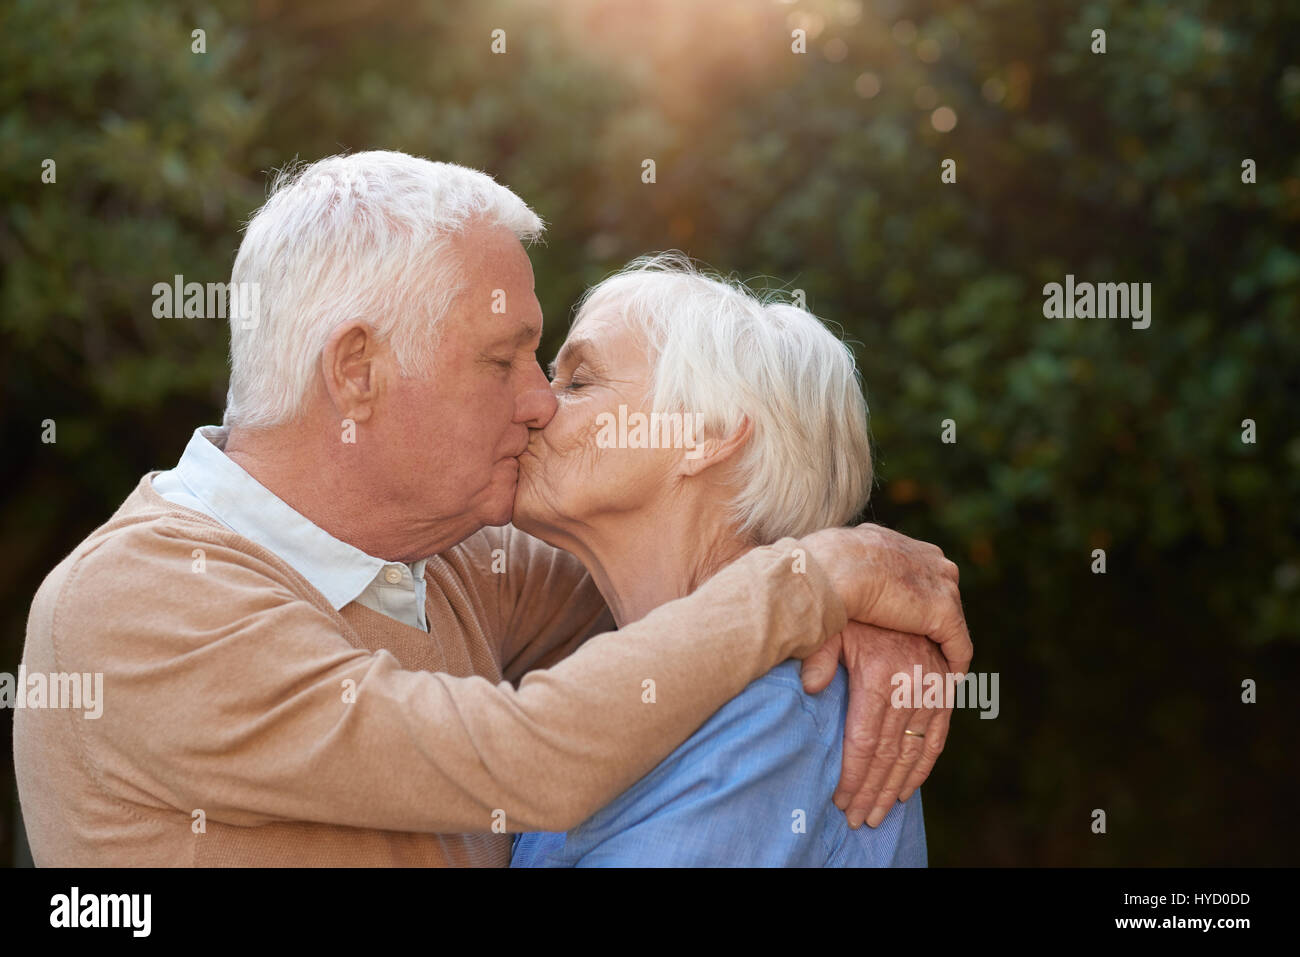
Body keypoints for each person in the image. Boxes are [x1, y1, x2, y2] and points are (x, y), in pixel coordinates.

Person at [14, 151, 969, 866]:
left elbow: (701, 571)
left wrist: (868, 599)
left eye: (560, 367)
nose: (540, 400)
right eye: (502, 358)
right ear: (357, 372)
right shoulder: (142, 603)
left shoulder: (456, 557)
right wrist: (820, 582)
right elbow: (527, 753)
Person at [511, 255, 930, 866]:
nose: (533, 406)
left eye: (577, 383)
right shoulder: (634, 669)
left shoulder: (770, 710)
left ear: (706, 436)